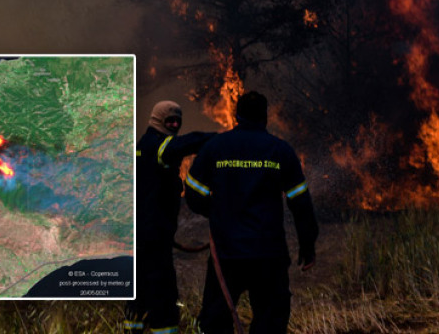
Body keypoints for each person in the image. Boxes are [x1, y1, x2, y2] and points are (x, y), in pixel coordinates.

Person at [184, 91, 318, 334]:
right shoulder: (281, 151)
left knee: (216, 320)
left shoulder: (215, 147)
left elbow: (192, 193)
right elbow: (301, 204)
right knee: (270, 321)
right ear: (265, 117)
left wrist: (217, 213)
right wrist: (307, 245)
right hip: (268, 254)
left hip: (227, 254)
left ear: (237, 116)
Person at [127, 100, 215, 334]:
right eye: (170, 121)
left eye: (178, 121)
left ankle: (132, 328)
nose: (175, 125)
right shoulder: (157, 145)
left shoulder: (144, 144)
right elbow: (186, 143)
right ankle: (164, 328)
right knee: (163, 290)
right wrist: (220, 138)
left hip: (145, 230)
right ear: (158, 120)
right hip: (153, 233)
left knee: (141, 287)